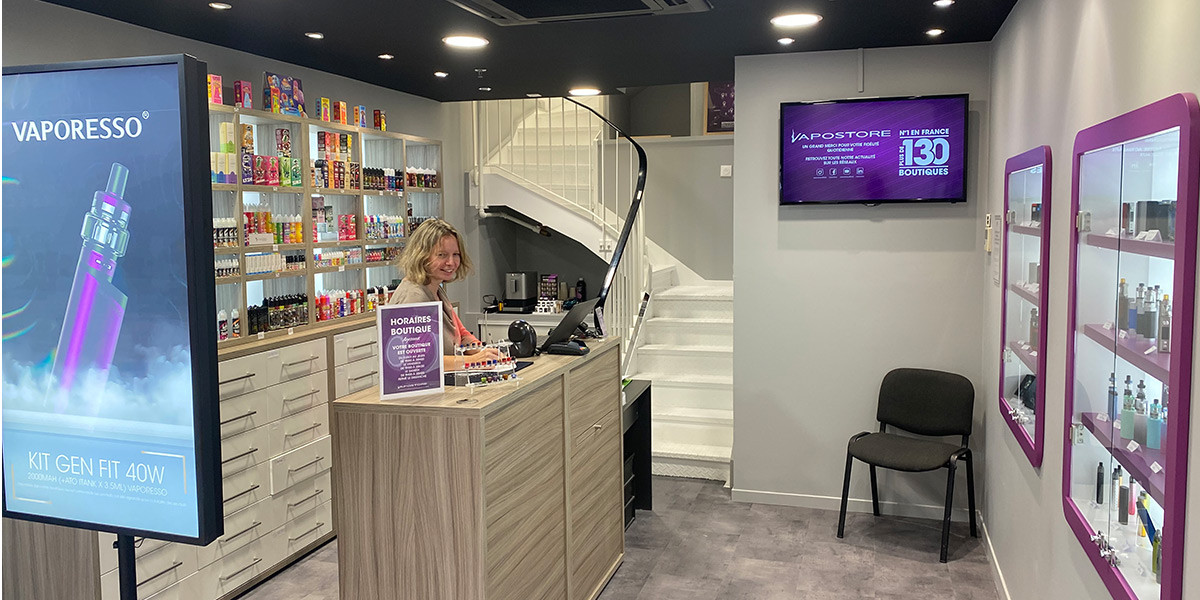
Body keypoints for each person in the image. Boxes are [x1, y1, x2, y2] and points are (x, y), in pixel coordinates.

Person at [388, 218, 499, 370]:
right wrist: (473, 360)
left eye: (456, 254)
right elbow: (418, 360)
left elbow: (461, 334)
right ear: (422, 255)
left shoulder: (435, 288)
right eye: (442, 255)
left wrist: (486, 353)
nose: (451, 262)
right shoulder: (414, 298)